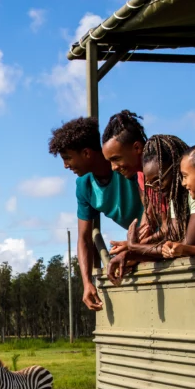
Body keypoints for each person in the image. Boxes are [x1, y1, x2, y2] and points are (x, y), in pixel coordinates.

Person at [49, 116, 143, 310]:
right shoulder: (84, 186)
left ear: (86, 153)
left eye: (67, 158)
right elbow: (84, 238)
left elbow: (154, 210)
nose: (66, 165)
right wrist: (87, 283)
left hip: (158, 233)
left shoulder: (126, 166)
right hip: (141, 242)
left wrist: (133, 245)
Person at [108, 134, 195, 283]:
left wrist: (134, 247)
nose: (155, 189)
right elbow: (173, 240)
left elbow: (186, 245)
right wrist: (131, 254)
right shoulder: (175, 198)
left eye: (158, 181)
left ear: (175, 169)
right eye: (150, 184)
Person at [102, 110, 147, 189]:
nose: (113, 168)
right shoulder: (141, 177)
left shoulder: (166, 172)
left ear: (137, 148)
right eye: (110, 161)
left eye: (116, 159)